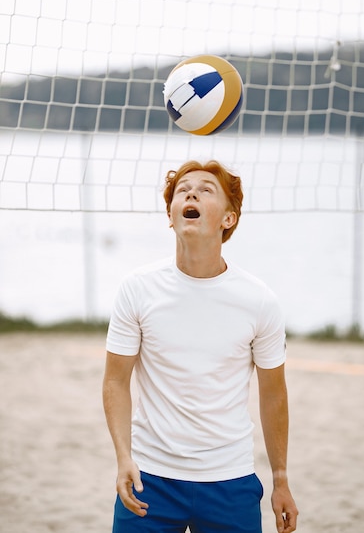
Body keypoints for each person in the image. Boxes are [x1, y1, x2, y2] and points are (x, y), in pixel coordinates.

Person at [103, 159, 298, 533]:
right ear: (172, 216)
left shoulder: (259, 301)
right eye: (182, 190)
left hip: (230, 480)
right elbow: (115, 381)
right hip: (149, 479)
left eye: (206, 189)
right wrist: (123, 457)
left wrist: (281, 479)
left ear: (229, 218)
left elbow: (274, 395)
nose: (191, 192)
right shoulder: (137, 288)